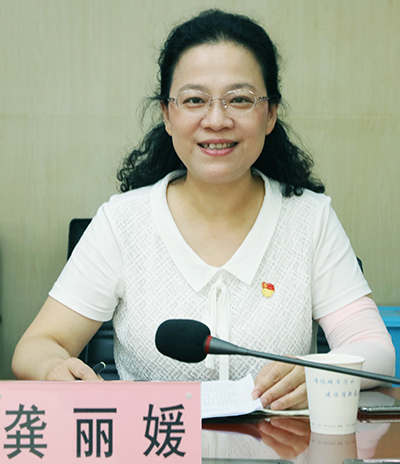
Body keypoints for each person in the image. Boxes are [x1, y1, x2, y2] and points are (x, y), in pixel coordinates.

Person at [12, 9, 395, 411]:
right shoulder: (123, 223)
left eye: (240, 100)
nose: (216, 120)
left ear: (270, 114)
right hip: (154, 439)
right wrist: (53, 367)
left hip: (279, 443)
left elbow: (374, 349)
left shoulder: (310, 220)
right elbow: (38, 345)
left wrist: (323, 372)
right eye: (194, 100)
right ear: (167, 115)